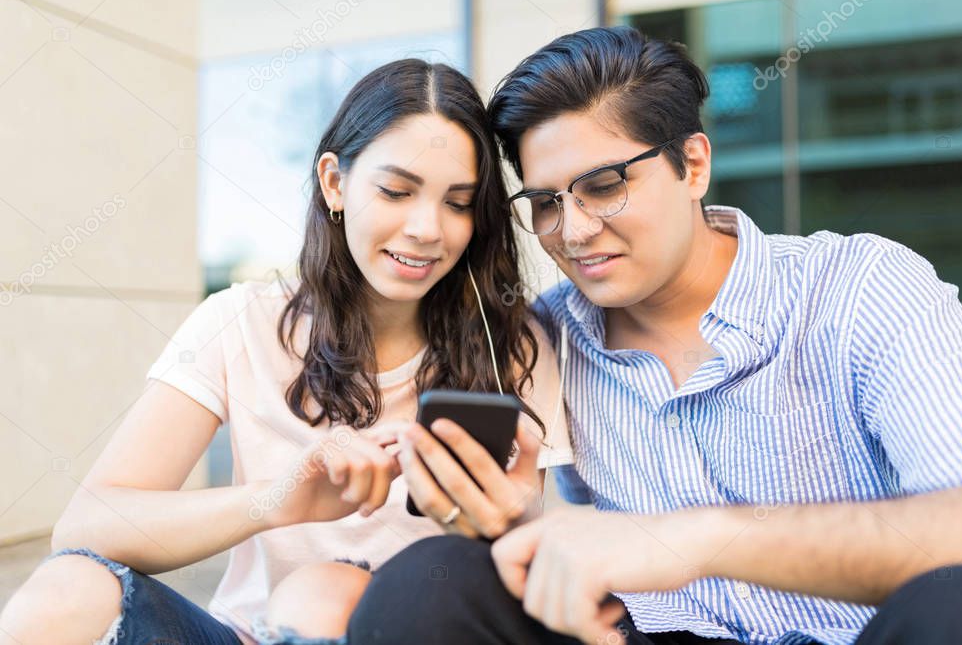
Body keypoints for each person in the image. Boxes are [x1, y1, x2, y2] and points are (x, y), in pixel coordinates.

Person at [346, 27, 962, 645]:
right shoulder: (546, 337)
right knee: (429, 583)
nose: (573, 231)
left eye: (604, 186)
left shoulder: (857, 289)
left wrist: (696, 538)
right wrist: (515, 524)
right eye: (545, 203)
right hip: (651, 637)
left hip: (865, 634)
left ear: (692, 165)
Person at [0, 58, 570, 645]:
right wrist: (279, 500)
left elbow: (548, 569)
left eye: (458, 203)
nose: (428, 227)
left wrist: (510, 516)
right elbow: (87, 526)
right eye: (397, 190)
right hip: (249, 632)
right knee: (65, 591)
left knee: (324, 593)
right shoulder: (241, 321)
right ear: (334, 183)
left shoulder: (516, 345)